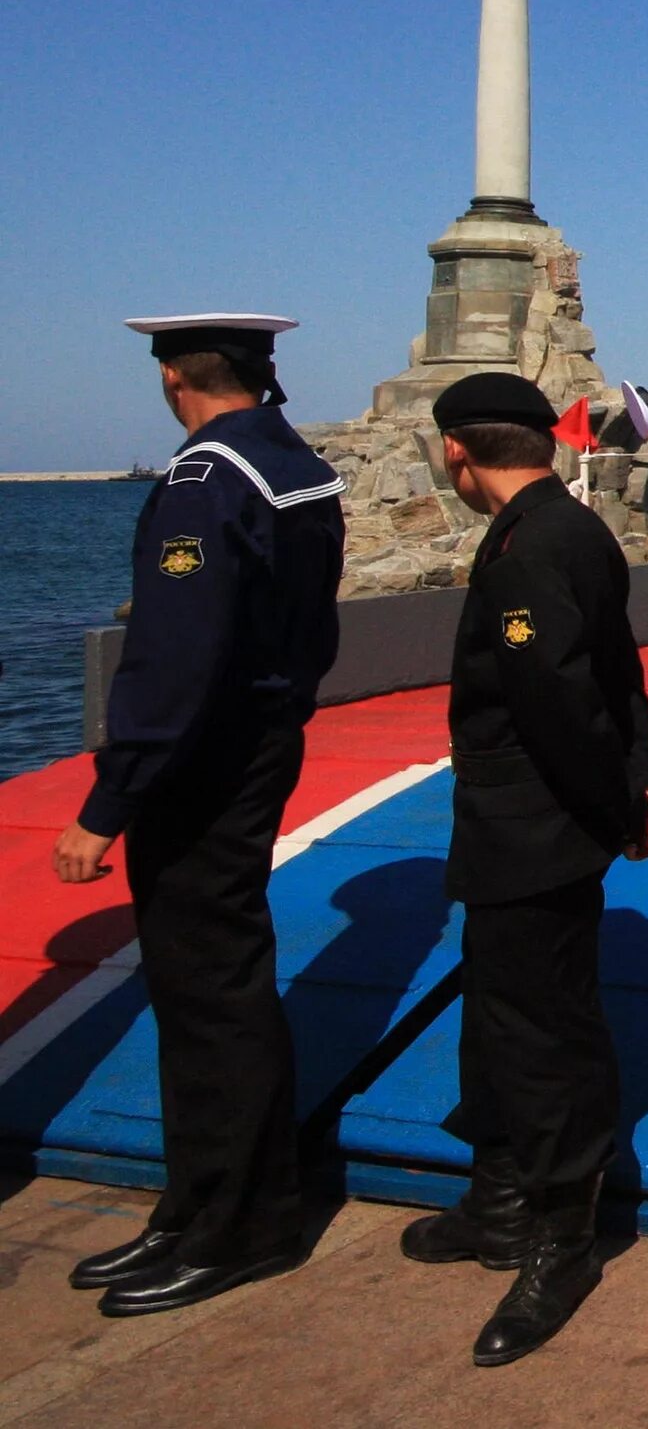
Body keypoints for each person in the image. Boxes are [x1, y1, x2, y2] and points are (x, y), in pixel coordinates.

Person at [54, 314, 342, 1315]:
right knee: (215, 986)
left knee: (208, 994)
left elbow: (175, 658)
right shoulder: (294, 465)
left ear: (176, 377)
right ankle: (199, 1201)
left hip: (204, 764)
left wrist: (108, 801)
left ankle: (241, 1222)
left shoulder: (206, 481)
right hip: (258, 741)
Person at [407, 372, 648, 1367]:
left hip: (533, 827)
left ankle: (560, 1237)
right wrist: (645, 781)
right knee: (498, 1018)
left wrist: (620, 811)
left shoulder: (531, 546)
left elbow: (563, 700)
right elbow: (621, 674)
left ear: (456, 453)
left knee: (543, 1033)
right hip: (521, 827)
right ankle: (497, 1199)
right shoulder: (570, 530)